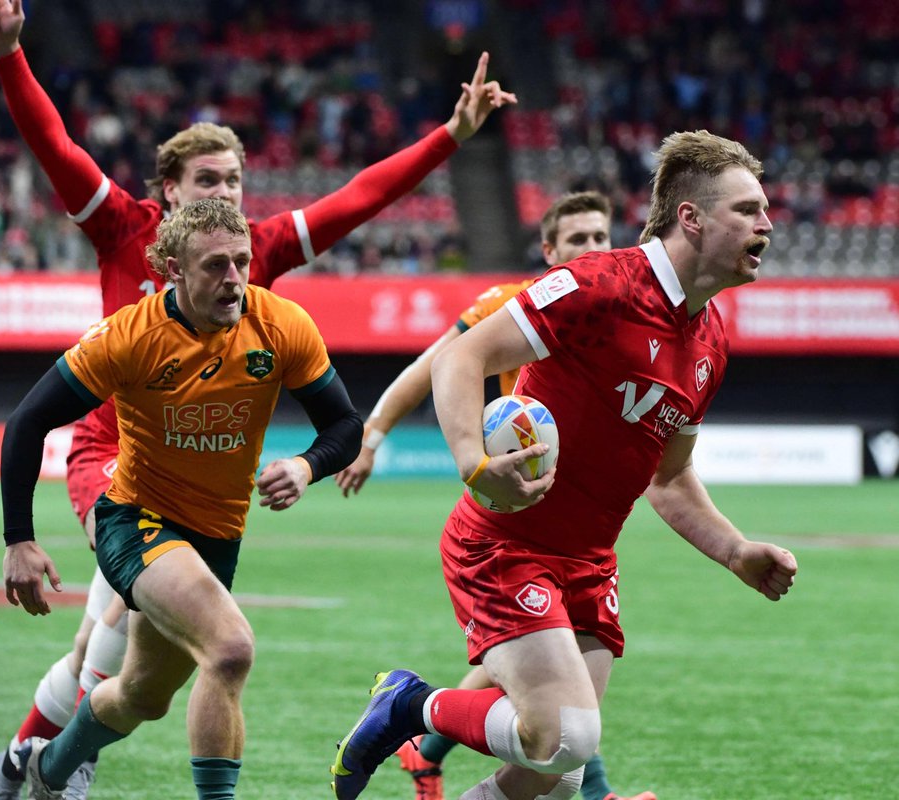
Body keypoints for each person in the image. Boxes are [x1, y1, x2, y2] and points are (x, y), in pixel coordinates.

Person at [0, 1, 514, 796]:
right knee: (161, 641)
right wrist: (10, 55)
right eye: (206, 180)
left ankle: (24, 764)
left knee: (137, 684)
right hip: (110, 460)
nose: (221, 193)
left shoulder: (253, 262)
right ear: (169, 188)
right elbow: (52, 144)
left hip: (209, 501)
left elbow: (359, 197)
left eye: (233, 180)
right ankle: (57, 766)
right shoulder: (124, 228)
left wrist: (449, 137)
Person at [329, 130, 799, 800]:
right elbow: (459, 359)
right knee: (567, 738)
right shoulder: (599, 287)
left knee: (554, 776)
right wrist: (471, 461)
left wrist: (736, 552)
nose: (767, 223)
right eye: (748, 209)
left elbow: (668, 478)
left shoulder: (710, 342)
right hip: (504, 545)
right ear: (691, 218)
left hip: (590, 565)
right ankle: (408, 704)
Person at [0, 197, 363, 800]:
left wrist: (306, 466)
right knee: (231, 649)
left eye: (242, 262)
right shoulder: (128, 336)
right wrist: (18, 538)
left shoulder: (280, 324)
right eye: (215, 265)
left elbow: (344, 426)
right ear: (172, 268)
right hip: (136, 520)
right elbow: (26, 423)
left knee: (143, 695)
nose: (234, 280)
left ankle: (43, 769)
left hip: (217, 536)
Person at [334, 190, 654, 800]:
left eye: (600, 237)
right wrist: (371, 437)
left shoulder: (616, 314)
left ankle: (426, 750)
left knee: (549, 700)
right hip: (504, 515)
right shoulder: (510, 307)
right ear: (548, 250)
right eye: (577, 239)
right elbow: (435, 366)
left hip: (574, 527)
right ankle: (586, 789)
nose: (592, 248)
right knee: (557, 707)